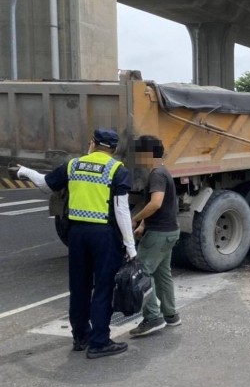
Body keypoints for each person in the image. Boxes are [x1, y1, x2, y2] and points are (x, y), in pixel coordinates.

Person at [16, 128, 136, 358]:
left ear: (92, 143)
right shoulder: (117, 170)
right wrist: (131, 249)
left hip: (77, 234)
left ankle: (80, 337)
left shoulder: (73, 165)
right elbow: (121, 212)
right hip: (103, 235)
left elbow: (45, 185)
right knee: (102, 288)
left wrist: (25, 171)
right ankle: (99, 342)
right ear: (114, 149)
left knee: (79, 287)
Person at [128, 136, 181, 338]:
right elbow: (165, 205)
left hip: (159, 234)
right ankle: (171, 314)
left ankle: (152, 317)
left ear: (147, 154)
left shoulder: (156, 174)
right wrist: (144, 224)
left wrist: (136, 218)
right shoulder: (163, 171)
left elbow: (156, 203)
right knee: (162, 274)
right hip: (169, 231)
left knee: (141, 273)